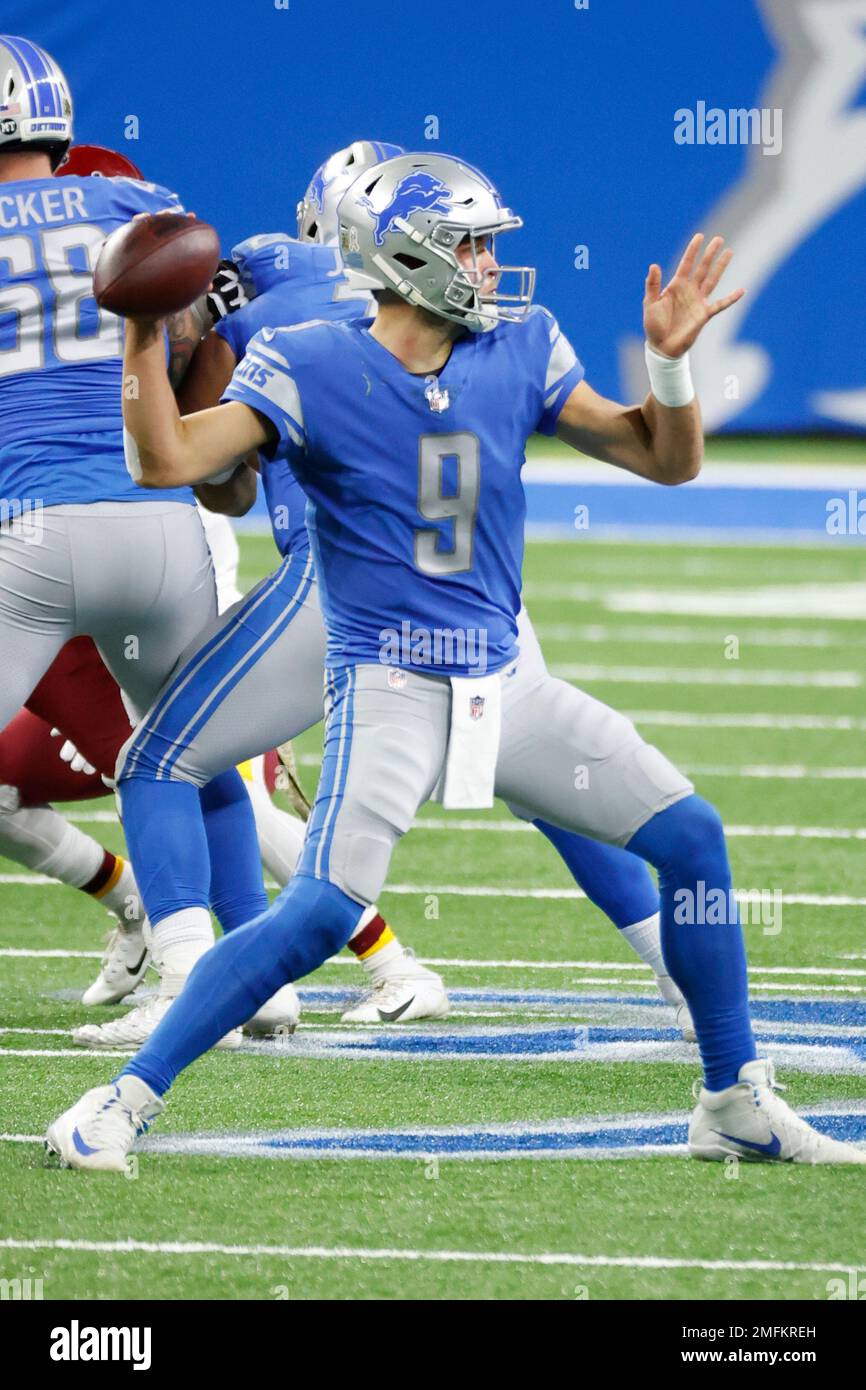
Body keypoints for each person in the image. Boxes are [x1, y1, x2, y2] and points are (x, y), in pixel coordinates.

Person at [48, 150, 863, 1168]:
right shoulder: (307, 359)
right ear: (407, 256)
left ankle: (732, 1098)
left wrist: (667, 365)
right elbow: (165, 461)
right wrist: (138, 333)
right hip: (386, 682)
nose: (487, 264)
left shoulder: (519, 345)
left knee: (691, 836)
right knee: (319, 915)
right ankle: (117, 1103)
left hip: (505, 680)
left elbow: (663, 459)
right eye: (471, 243)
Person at [80, 141, 686, 1045]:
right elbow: (656, 454)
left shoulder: (272, 314)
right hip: (483, 597)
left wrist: (153, 339)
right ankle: (677, 971)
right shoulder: (498, 338)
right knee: (559, 790)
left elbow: (215, 481)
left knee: (162, 761)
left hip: (351, 593)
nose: (482, 261)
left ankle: (197, 983)